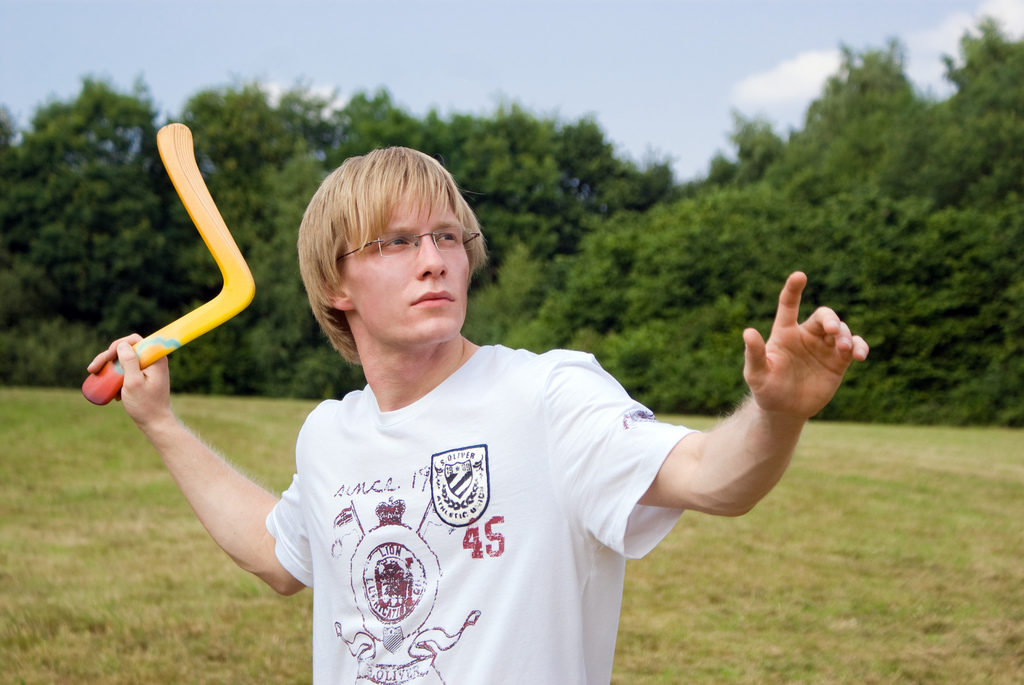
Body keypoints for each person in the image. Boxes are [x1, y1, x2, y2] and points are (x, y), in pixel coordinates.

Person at [87, 146, 868, 684]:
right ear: (336, 283)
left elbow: (712, 477)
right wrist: (161, 422)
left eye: (447, 236)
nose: (434, 257)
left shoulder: (549, 395)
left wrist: (776, 418)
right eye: (396, 241)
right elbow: (280, 556)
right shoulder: (330, 434)